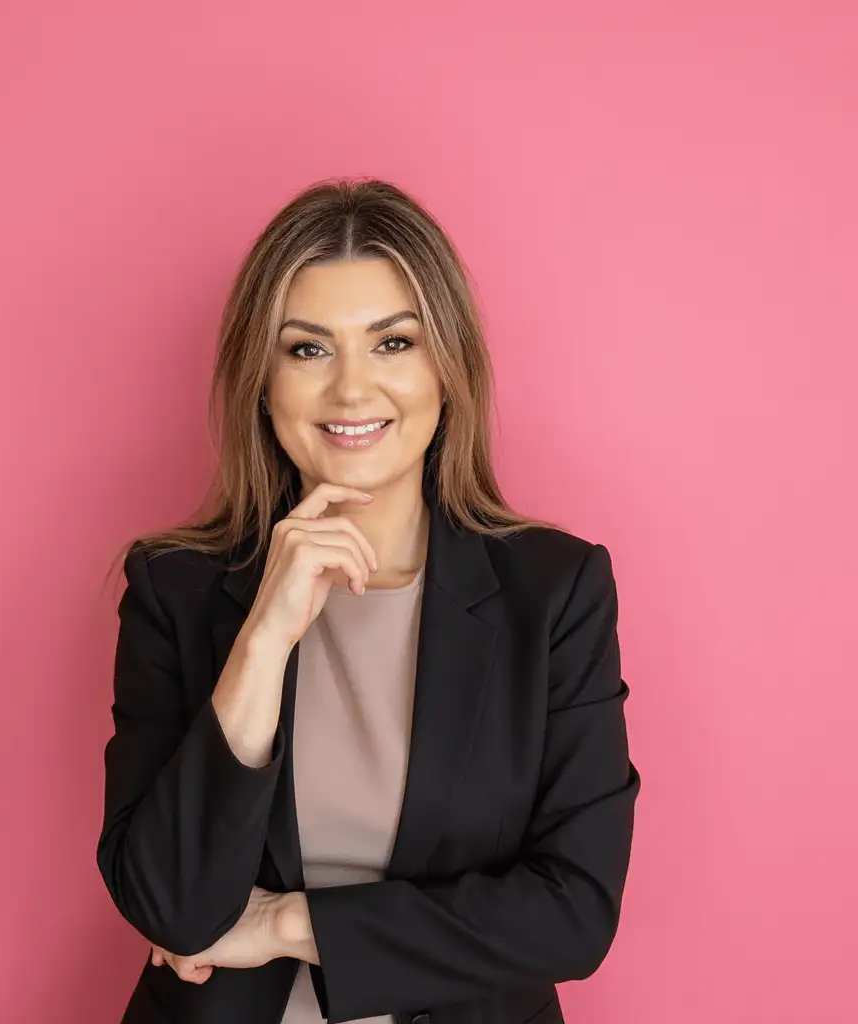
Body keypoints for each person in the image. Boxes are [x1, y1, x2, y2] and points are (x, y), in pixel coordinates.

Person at [96, 178, 641, 1024]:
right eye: (308, 350)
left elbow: (572, 912)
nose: (352, 391)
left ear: (447, 369)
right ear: (262, 382)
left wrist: (289, 923)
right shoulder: (175, 588)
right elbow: (171, 907)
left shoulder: (554, 592)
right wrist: (262, 641)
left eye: (393, 343)